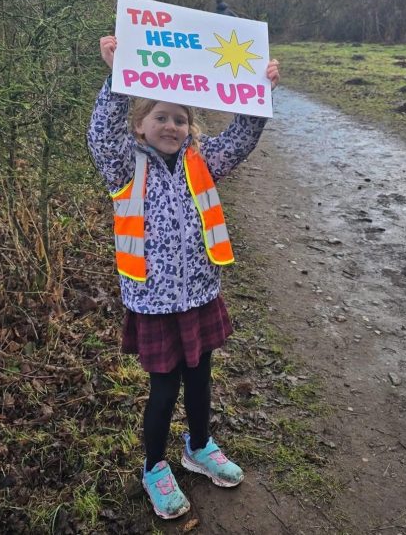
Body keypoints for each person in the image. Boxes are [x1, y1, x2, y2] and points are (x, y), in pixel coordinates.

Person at [88, 35, 280, 520]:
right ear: (140, 124)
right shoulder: (123, 167)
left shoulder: (202, 162)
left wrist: (258, 94)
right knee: (163, 390)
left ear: (190, 128)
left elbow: (240, 138)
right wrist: (117, 77)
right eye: (161, 117)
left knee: (200, 378)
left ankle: (198, 446)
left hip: (198, 294)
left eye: (180, 119)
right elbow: (101, 135)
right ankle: (154, 467)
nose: (171, 126)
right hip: (153, 302)